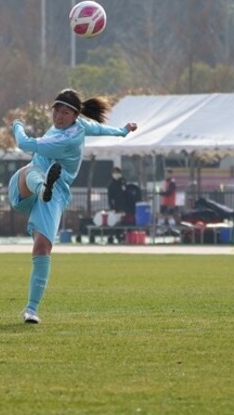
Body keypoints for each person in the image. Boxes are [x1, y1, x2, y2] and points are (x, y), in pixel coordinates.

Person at [9, 88, 138, 324]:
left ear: (75, 115)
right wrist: (122, 131)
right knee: (32, 171)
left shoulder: (62, 140)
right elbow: (98, 128)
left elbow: (22, 142)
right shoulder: (80, 127)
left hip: (55, 191)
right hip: (28, 189)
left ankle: (31, 310)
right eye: (56, 110)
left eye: (65, 112)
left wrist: (17, 124)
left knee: (42, 248)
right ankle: (42, 188)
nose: (58, 116)